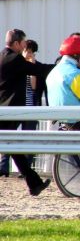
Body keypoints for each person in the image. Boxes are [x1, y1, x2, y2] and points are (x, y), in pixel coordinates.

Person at [0, 29, 52, 196]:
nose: (25, 46)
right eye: (23, 43)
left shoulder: (3, 56)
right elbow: (39, 70)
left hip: (5, 109)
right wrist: (60, 67)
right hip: (8, 110)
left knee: (12, 147)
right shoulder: (15, 59)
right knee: (12, 146)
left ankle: (34, 183)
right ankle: (34, 183)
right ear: (16, 43)